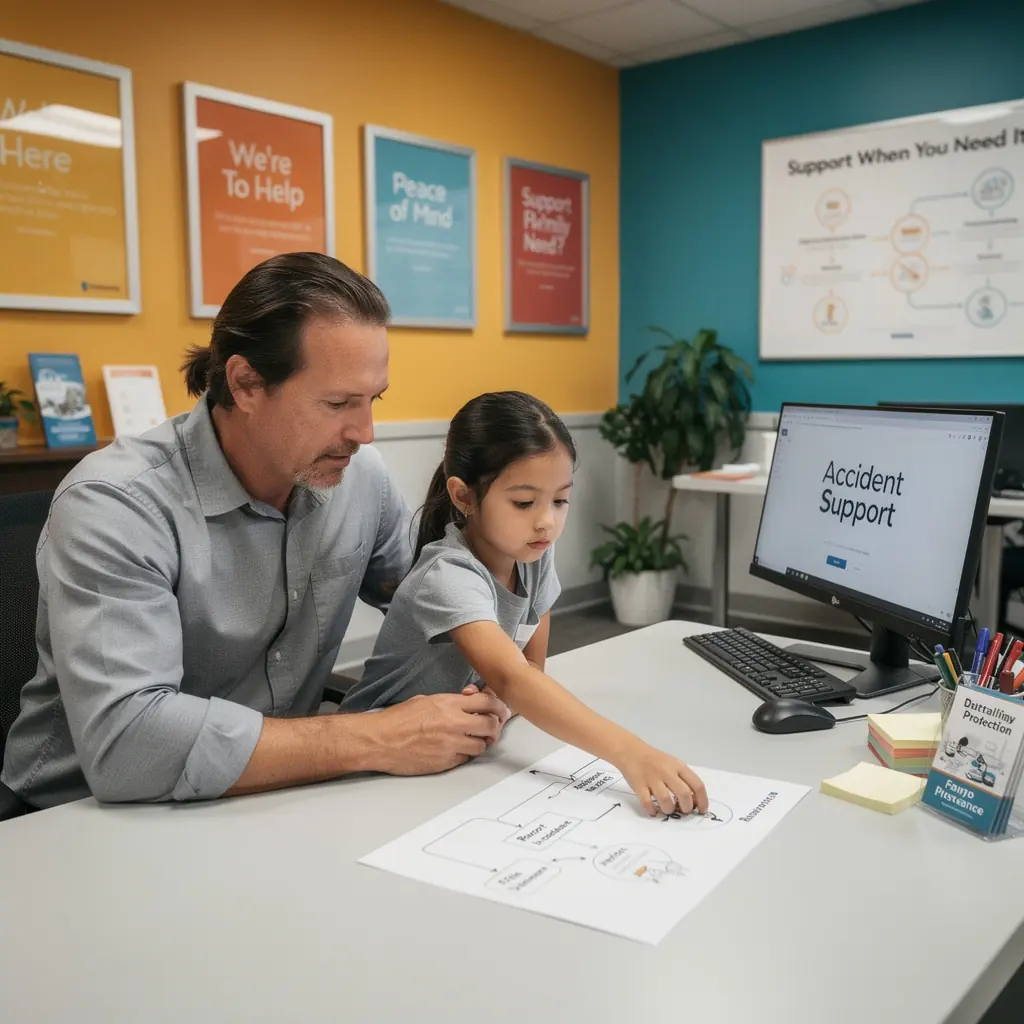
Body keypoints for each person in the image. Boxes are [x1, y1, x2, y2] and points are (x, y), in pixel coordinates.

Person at [1, 253, 506, 809]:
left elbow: (437, 601)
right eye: (338, 402)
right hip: (76, 818)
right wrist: (378, 735)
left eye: (372, 400)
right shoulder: (116, 505)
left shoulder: (360, 478)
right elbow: (128, 746)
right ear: (244, 383)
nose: (364, 431)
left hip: (267, 794)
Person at [341, 392, 708, 817]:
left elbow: (530, 672)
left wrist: (499, 702)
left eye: (560, 499)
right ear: (463, 496)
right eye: (523, 502)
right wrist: (631, 753)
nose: (546, 521)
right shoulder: (447, 575)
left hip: (451, 763)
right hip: (371, 768)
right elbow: (514, 678)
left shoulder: (533, 554)